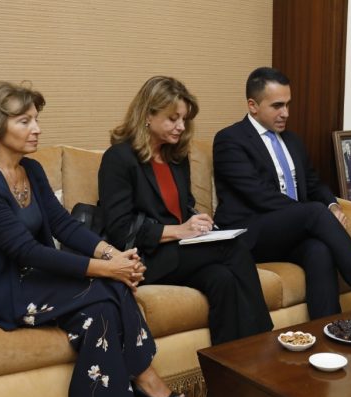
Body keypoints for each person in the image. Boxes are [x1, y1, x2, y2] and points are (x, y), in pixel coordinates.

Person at [0, 81, 186, 397]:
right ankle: (143, 375)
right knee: (109, 286)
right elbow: (25, 250)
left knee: (101, 312)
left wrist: (114, 255)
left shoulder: (31, 169)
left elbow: (63, 224)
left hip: (34, 276)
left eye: (36, 119)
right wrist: (108, 270)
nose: (37, 128)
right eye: (24, 121)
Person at [98, 76, 272, 345]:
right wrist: (179, 230)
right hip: (144, 258)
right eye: (173, 118)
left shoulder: (176, 157)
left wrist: (198, 222)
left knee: (222, 279)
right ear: (148, 115)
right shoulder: (119, 158)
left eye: (184, 119)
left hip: (178, 253)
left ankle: (227, 365)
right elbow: (121, 230)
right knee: (234, 247)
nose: (181, 126)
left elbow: (184, 207)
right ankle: (265, 344)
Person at [213, 67, 351, 319]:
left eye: (288, 104)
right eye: (277, 106)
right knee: (314, 213)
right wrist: (312, 214)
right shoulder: (230, 140)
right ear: (253, 106)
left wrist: (332, 206)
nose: (285, 113)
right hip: (250, 234)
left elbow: (314, 182)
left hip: (289, 232)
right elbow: (259, 195)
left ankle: (328, 328)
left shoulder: (292, 140)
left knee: (319, 250)